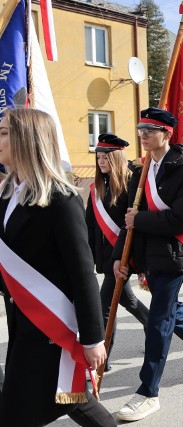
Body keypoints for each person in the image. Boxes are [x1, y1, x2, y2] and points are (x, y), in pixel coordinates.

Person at [0, 108, 115, 426]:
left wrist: (93, 338)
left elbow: (82, 273)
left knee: (26, 407)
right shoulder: (8, 195)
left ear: (27, 139)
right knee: (70, 397)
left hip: (53, 325)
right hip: (24, 319)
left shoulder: (60, 200)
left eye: (4, 132)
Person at [112, 107, 183, 422]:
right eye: (140, 128)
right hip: (150, 255)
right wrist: (120, 260)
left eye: (151, 129)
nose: (143, 134)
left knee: (159, 320)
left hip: (175, 254)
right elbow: (129, 219)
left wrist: (142, 219)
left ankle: (148, 393)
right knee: (172, 310)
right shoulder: (143, 168)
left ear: (168, 133)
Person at [85, 133, 149, 372]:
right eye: (98, 157)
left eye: (106, 157)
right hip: (105, 256)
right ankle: (151, 323)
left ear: (117, 158)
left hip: (125, 256)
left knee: (104, 306)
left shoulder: (132, 184)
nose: (101, 161)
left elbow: (133, 226)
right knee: (127, 301)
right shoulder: (96, 189)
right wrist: (90, 259)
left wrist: (138, 264)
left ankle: (102, 360)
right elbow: (89, 226)